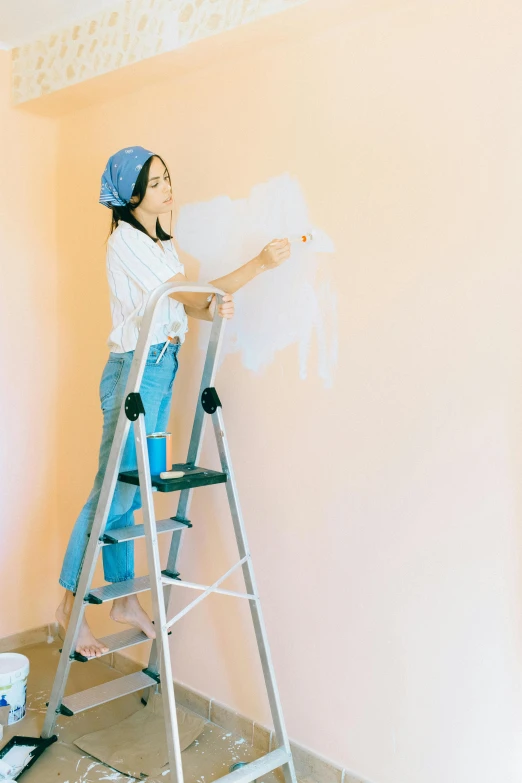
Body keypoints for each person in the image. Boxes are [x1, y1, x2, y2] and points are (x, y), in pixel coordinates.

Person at [55, 146, 291, 658]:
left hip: (161, 366)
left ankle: (123, 601)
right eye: (155, 181)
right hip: (134, 373)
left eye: (167, 178)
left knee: (132, 491)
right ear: (132, 194)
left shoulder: (162, 246)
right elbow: (183, 297)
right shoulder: (125, 242)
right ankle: (69, 606)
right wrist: (258, 266)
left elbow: (184, 309)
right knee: (109, 492)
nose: (167, 187)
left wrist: (213, 306)